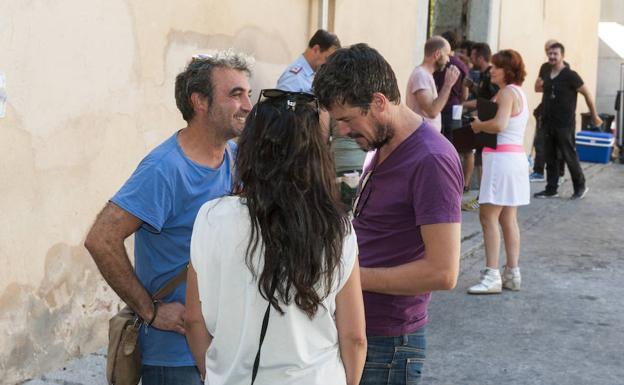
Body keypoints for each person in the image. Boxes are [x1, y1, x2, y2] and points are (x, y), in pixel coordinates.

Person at [84, 51, 254, 385]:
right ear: (199, 102)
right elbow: (101, 238)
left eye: (248, 94)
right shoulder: (165, 169)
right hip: (175, 357)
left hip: (224, 349)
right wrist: (149, 311)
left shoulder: (236, 159)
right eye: (236, 94)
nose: (248, 105)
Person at [185, 89, 367, 385]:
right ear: (316, 155)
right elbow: (354, 337)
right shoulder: (337, 228)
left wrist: (213, 374)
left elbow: (194, 319)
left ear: (251, 149)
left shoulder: (211, 217)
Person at [313, 43, 463, 385]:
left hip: (389, 344)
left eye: (349, 120)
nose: (345, 133)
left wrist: (350, 278)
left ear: (379, 102)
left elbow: (444, 272)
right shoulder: (380, 144)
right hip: (361, 329)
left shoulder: (431, 160)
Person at [467, 49, 530, 294]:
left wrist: (478, 125)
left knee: (488, 216)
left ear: (508, 71)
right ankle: (512, 272)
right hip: (514, 158)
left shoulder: (505, 93)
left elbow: (500, 124)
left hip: (500, 159)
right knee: (508, 218)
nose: (491, 70)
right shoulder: (519, 93)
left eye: (496, 66)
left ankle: (491, 274)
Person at [534, 42, 602, 200]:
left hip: (565, 124)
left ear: (562, 56)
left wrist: (594, 115)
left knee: (569, 155)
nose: (552, 57)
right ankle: (551, 189)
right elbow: (539, 90)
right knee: (550, 156)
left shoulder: (571, 75)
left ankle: (580, 186)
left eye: (555, 54)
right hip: (548, 121)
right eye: (550, 54)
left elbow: (587, 94)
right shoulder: (546, 71)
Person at [460, 42, 500, 211]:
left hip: (488, 124)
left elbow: (489, 100)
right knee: (479, 160)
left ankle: (483, 198)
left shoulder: (492, 74)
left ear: (480, 57)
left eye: (473, 56)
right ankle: (482, 197)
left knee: (483, 162)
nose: (471, 59)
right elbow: (484, 93)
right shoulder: (484, 75)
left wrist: (465, 104)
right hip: (482, 122)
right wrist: (471, 86)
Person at [531, 39, 569, 184]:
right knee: (540, 141)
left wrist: (547, 85)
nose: (550, 54)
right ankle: (538, 171)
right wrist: (547, 85)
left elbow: (560, 89)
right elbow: (537, 87)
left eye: (553, 51)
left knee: (559, 145)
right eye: (547, 51)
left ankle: (559, 174)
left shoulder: (565, 68)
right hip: (544, 109)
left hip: (559, 112)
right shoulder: (545, 67)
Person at [406, 35, 461, 131]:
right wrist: (448, 85)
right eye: (447, 55)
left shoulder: (426, 75)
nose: (448, 60)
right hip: (421, 137)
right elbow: (432, 111)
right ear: (437, 54)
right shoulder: (421, 75)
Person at [433, 31, 469, 141]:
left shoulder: (437, 62)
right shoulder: (462, 65)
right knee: (454, 143)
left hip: (437, 105)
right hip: (455, 107)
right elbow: (465, 95)